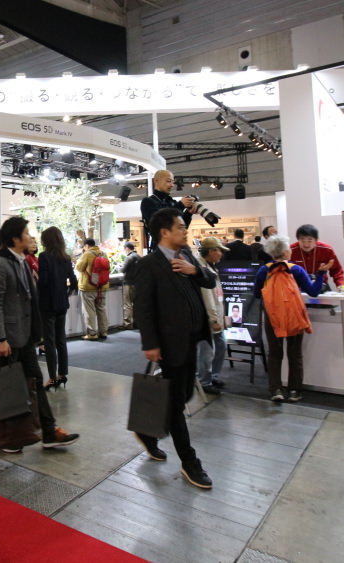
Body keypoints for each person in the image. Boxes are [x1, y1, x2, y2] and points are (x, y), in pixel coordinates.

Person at [133, 207, 216, 489]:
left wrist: (195, 270)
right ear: (164, 232)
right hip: (169, 343)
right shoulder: (149, 264)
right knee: (177, 404)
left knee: (184, 394)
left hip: (193, 339)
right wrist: (150, 343)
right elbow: (143, 308)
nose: (185, 230)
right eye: (180, 227)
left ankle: (147, 431)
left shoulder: (188, 256)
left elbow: (210, 280)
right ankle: (189, 462)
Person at [0, 216, 79, 452]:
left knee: (35, 381)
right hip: (7, 338)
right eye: (26, 233)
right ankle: (2, 437)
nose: (30, 237)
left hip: (25, 336)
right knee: (7, 388)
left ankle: (48, 431)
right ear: (15, 238)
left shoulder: (22, 261)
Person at [254, 234, 330, 403]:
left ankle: (275, 390)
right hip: (293, 315)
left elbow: (257, 294)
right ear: (285, 252)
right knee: (295, 354)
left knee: (274, 354)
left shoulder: (263, 270)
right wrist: (321, 273)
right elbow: (313, 292)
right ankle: (295, 390)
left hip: (273, 316)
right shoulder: (296, 270)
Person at [38, 227, 79, 390]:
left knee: (49, 342)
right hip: (62, 304)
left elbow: (43, 282)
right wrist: (65, 294)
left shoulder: (44, 257)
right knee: (61, 340)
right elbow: (74, 282)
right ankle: (62, 374)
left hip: (48, 305)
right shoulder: (65, 258)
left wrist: (36, 281)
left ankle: (52, 377)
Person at [197, 237, 229, 395]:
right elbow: (208, 297)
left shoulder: (211, 267)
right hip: (208, 318)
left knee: (220, 345)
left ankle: (212, 376)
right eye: (219, 251)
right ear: (210, 251)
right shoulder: (203, 268)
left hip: (216, 314)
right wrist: (213, 319)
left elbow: (216, 296)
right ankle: (205, 381)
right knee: (207, 350)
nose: (221, 254)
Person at [140, 169, 196, 249]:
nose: (172, 185)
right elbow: (160, 223)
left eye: (173, 182)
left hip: (177, 248)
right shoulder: (148, 202)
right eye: (168, 181)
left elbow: (182, 227)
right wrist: (180, 205)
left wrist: (189, 213)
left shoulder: (171, 202)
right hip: (160, 249)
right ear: (156, 181)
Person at [289, 224, 344, 290]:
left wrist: (341, 285)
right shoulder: (290, 250)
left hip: (321, 285)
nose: (306, 244)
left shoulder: (326, 250)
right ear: (298, 239)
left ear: (316, 240)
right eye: (302, 240)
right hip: (299, 287)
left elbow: (337, 270)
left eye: (310, 240)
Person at [76, 238, 109, 341]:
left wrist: (80, 257)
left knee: (89, 311)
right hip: (102, 287)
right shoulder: (103, 253)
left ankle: (92, 333)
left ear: (86, 246)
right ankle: (103, 332)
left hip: (88, 287)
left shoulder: (87, 254)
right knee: (101, 309)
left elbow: (79, 268)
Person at [121, 241, 141, 329]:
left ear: (127, 248)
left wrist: (118, 266)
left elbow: (122, 270)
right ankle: (137, 323)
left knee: (128, 304)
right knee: (136, 304)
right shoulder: (139, 256)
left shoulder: (128, 258)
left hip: (128, 283)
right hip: (137, 283)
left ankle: (128, 324)